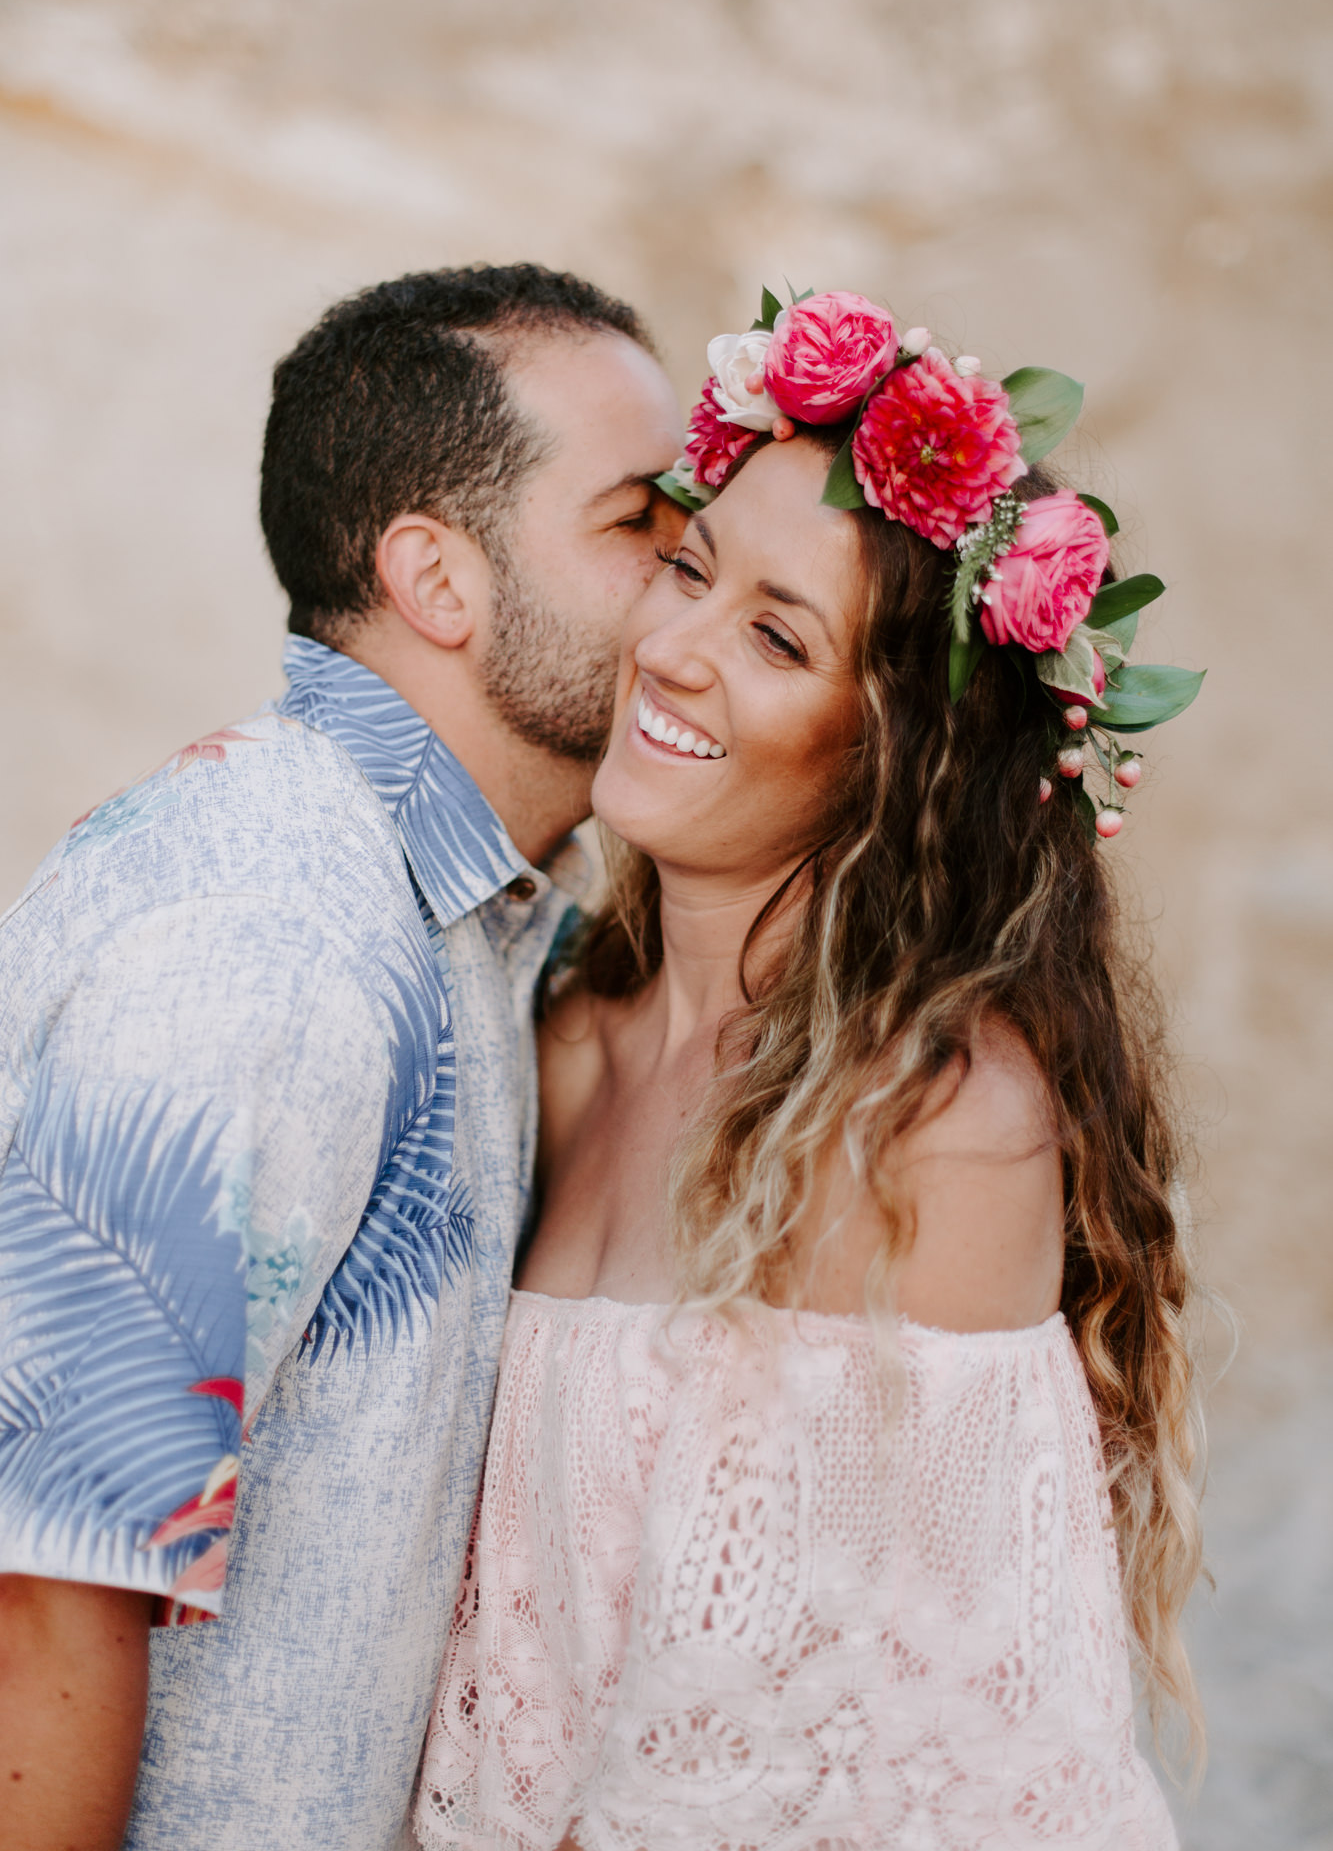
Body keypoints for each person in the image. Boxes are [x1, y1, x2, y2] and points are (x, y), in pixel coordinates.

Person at [415, 290, 1205, 1849]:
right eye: (689, 569)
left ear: (891, 751)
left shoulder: (927, 1120)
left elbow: (821, 1769)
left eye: (777, 637)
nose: (675, 649)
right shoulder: (568, 1033)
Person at [0, 263, 684, 1851]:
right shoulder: (270, 928)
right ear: (437, 580)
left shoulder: (474, 922)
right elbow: (46, 1580)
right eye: (636, 522)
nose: (687, 580)